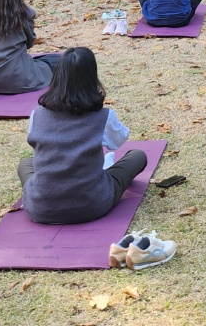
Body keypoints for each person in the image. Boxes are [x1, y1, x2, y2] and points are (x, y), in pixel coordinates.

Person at [18, 47, 149, 225]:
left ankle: (45, 195)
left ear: (57, 77)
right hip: (92, 204)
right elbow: (119, 140)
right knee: (137, 156)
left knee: (26, 163)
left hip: (40, 208)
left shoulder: (37, 114)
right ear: (92, 78)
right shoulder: (104, 117)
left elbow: (35, 144)